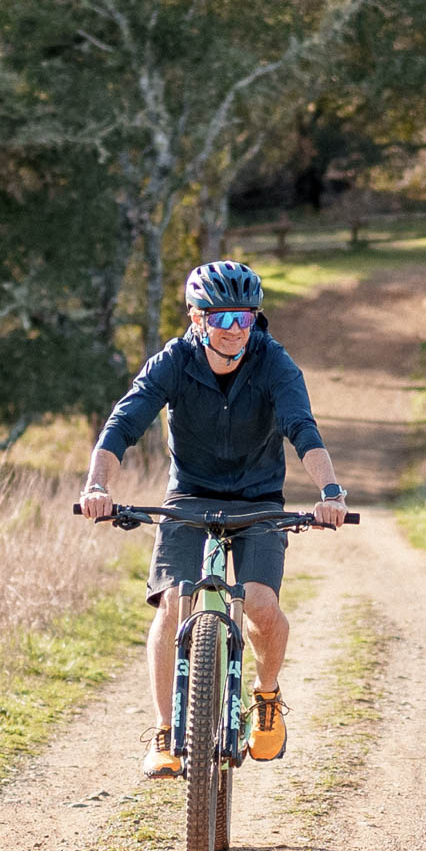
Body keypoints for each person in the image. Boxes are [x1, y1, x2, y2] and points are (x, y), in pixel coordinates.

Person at [78, 260, 349, 778]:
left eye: (244, 319)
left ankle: (265, 697)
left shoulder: (274, 364)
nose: (233, 331)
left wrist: (330, 491)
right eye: (220, 318)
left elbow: (302, 428)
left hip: (258, 499)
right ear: (196, 318)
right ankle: (164, 733)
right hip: (189, 497)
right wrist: (98, 486)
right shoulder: (173, 362)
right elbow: (123, 424)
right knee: (172, 604)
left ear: (255, 320)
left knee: (262, 607)